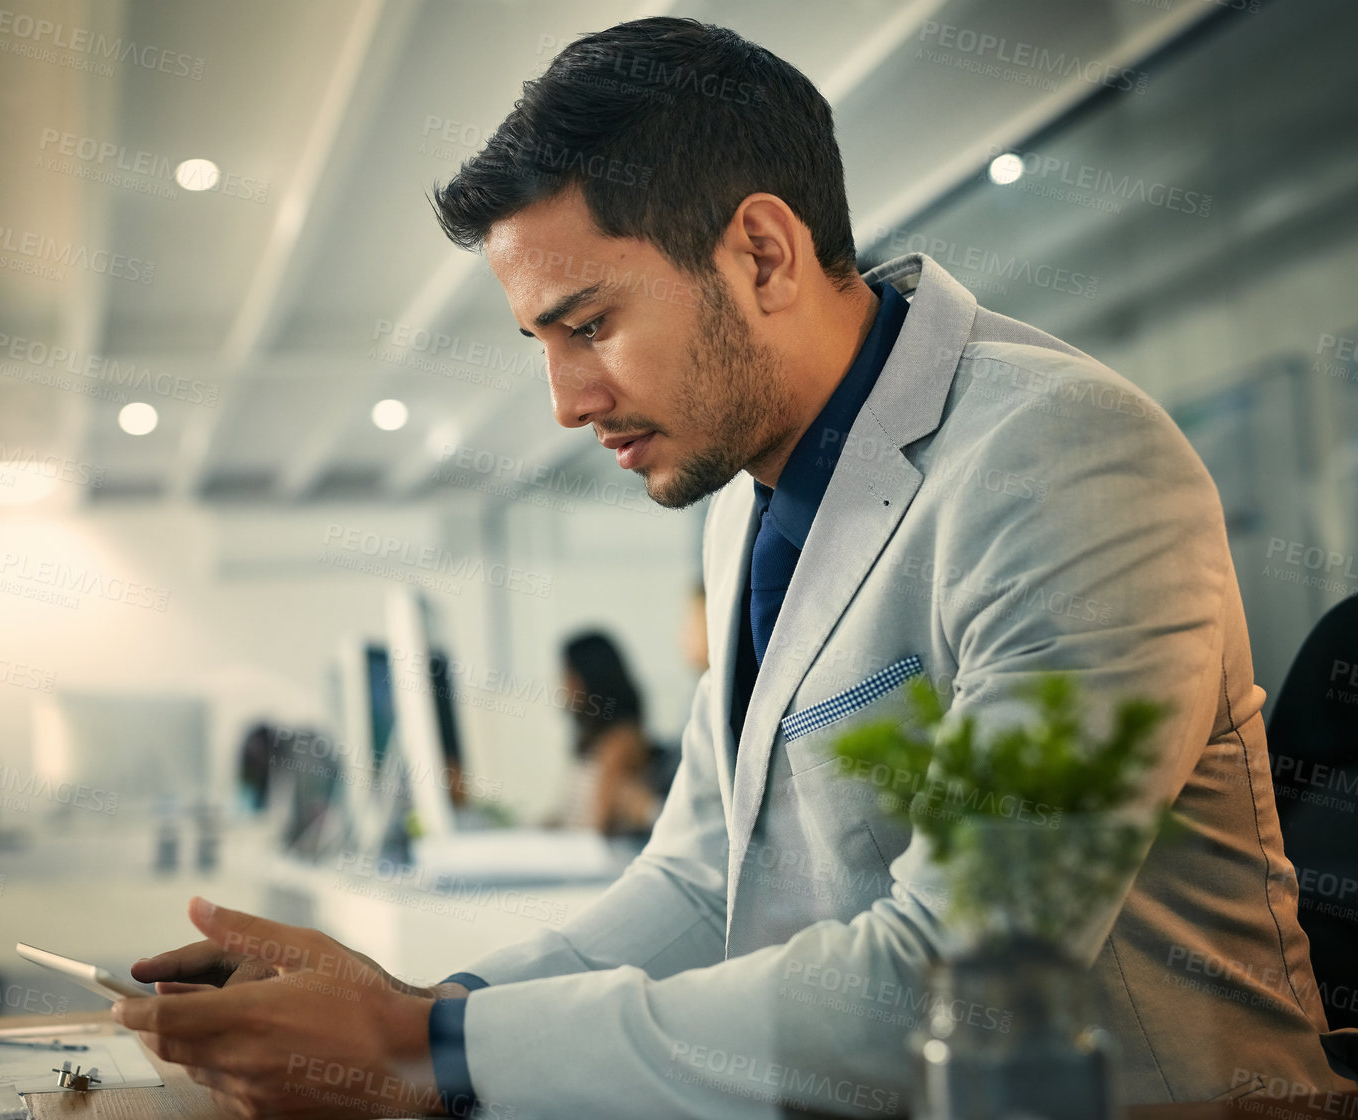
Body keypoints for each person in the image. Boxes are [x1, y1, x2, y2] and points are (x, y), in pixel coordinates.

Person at [111, 17, 1350, 1118]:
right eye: (540, 343)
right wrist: (431, 999)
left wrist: (430, 1046)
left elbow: (966, 980)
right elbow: (706, 876)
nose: (562, 400)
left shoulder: (1063, 461)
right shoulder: (744, 494)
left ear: (759, 252)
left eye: (588, 324)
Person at [546, 631, 661, 839]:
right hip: (574, 851)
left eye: (569, 677)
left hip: (596, 861)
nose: (564, 687)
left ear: (592, 678)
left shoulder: (621, 741)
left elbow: (599, 826)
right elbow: (570, 816)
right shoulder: (593, 742)